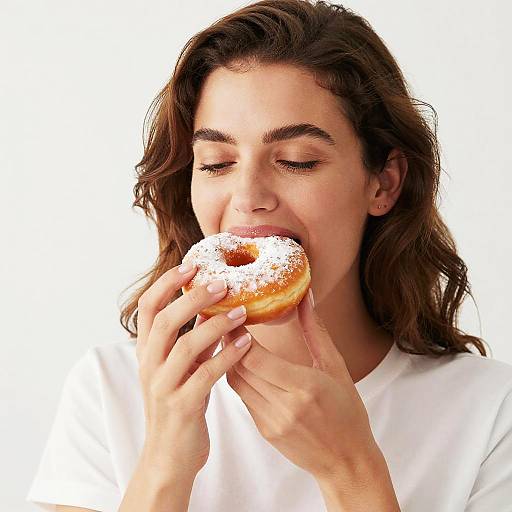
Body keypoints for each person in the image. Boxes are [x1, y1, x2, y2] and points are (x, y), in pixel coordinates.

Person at [26, 1, 512, 511]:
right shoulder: (112, 391)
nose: (248, 194)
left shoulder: (489, 413)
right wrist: (165, 464)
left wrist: (350, 468)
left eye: (296, 161)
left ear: (383, 182)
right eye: (216, 163)